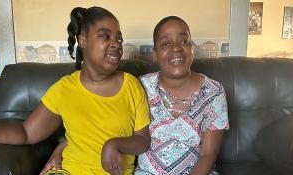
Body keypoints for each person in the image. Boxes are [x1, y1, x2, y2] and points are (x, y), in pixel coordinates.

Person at [0, 6, 151, 175]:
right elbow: (26, 132)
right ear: (83, 39)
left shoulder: (131, 85)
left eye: (119, 38)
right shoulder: (64, 89)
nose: (116, 44)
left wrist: (115, 144)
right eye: (105, 36)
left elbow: (143, 140)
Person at [42, 15, 229, 175]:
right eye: (166, 43)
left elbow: (208, 155)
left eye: (184, 40)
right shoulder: (140, 86)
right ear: (155, 53)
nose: (176, 48)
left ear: (192, 47)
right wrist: (60, 148)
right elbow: (99, 125)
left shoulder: (213, 92)